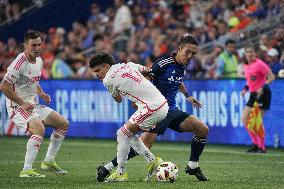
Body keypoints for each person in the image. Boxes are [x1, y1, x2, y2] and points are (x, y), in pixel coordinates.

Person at [97, 34, 209, 182]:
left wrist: (188, 96)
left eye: (193, 53)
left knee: (202, 129)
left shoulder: (183, 65)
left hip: (172, 110)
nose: (190, 56)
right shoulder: (163, 63)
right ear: (179, 49)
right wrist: (139, 101)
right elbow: (145, 77)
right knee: (144, 145)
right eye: (187, 52)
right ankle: (109, 167)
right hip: (157, 109)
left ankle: (192, 166)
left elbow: (178, 80)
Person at [89, 52, 169, 182]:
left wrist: (127, 90)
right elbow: (148, 71)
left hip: (151, 107)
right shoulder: (129, 65)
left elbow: (118, 99)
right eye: (94, 72)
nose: (96, 74)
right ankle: (152, 161)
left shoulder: (107, 80)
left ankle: (121, 173)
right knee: (129, 134)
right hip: (161, 104)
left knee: (122, 134)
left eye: (98, 70)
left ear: (106, 66)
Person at [0, 31, 69, 177]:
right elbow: (4, 86)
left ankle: (48, 161)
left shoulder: (39, 61)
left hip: (31, 104)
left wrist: (42, 93)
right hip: (16, 106)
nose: (37, 48)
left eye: (39, 44)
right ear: (25, 45)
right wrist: (21, 102)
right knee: (39, 129)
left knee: (63, 123)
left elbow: (33, 81)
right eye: (33, 45)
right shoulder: (19, 62)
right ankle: (26, 170)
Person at [241, 44, 275, 153]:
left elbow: (271, 77)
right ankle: (255, 143)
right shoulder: (246, 65)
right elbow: (250, 80)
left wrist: (263, 87)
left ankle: (262, 147)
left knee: (257, 121)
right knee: (245, 119)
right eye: (248, 52)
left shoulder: (260, 64)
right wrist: (245, 89)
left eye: (252, 52)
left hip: (263, 94)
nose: (250, 54)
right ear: (245, 54)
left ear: (255, 53)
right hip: (253, 94)